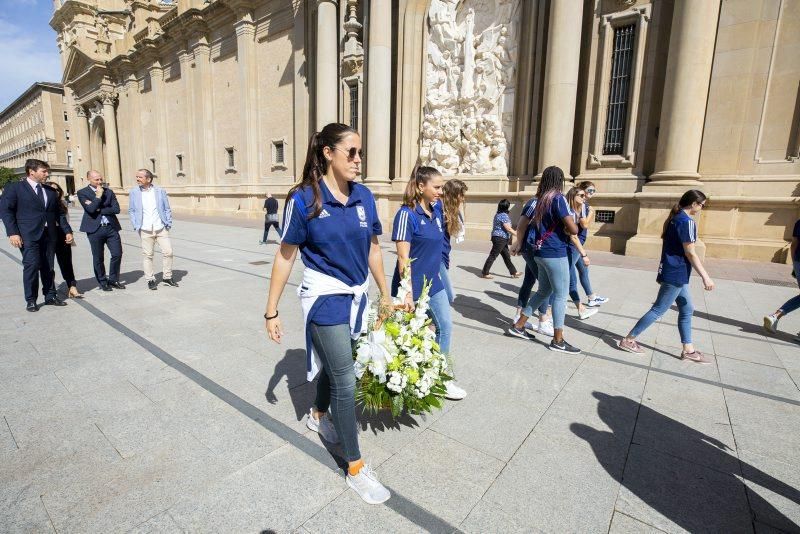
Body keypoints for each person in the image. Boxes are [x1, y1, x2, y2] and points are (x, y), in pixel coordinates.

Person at [263, 123, 391, 505]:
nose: (357, 159)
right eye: (351, 151)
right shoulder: (305, 200)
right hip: (323, 296)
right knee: (346, 378)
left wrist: (385, 293)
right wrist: (270, 311)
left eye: (360, 153)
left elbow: (373, 249)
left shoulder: (365, 197)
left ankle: (318, 414)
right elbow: (285, 255)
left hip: (355, 295)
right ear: (327, 153)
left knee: (339, 365)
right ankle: (354, 467)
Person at [392, 165, 467, 400]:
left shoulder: (436, 212)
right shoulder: (407, 214)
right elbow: (403, 257)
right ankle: (405, 378)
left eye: (442, 187)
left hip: (433, 283)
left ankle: (439, 377)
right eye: (436, 187)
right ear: (420, 186)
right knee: (406, 335)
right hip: (412, 286)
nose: (440, 191)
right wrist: (406, 292)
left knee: (444, 326)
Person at [618, 190, 714, 363]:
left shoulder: (675, 218)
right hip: (676, 273)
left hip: (675, 272)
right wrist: (705, 276)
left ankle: (688, 349)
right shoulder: (687, 222)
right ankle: (629, 339)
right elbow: (691, 253)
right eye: (701, 205)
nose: (702, 208)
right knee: (658, 309)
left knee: (687, 309)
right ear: (693, 204)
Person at [508, 166, 582, 354]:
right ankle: (558, 340)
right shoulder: (558, 198)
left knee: (543, 291)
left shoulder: (540, 200)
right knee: (560, 295)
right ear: (560, 180)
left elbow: (525, 223)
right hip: (555, 252)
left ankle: (519, 325)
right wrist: (573, 225)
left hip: (540, 252)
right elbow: (573, 229)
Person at [0, 159, 72, 311]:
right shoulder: (15, 188)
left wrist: (67, 231)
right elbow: (6, 211)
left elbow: (59, 214)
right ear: (31, 172)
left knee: (49, 267)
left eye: (47, 171)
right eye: (44, 171)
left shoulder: (50, 192)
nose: (47, 174)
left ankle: (50, 295)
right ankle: (31, 299)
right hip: (28, 235)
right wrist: (13, 233)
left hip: (49, 235)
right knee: (32, 266)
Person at [510, 196, 554, 337]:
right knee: (545, 285)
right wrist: (518, 242)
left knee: (529, 280)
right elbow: (522, 223)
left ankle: (519, 315)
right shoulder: (535, 202)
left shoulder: (543, 201)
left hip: (533, 247)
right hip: (533, 248)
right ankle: (543, 320)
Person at [128, 169, 177, 290]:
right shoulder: (134, 192)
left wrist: (168, 222)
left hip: (160, 227)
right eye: (137, 177)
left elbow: (167, 208)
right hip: (144, 228)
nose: (137, 179)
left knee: (168, 252)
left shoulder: (160, 191)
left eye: (140, 177)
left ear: (148, 179)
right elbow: (132, 210)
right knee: (148, 255)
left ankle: (167, 277)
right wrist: (136, 224)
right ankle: (150, 279)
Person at [77, 170, 124, 291]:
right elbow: (91, 210)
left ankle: (113, 279)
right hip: (94, 229)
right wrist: (98, 197)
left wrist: (99, 209)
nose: (100, 182)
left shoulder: (109, 192)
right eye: (96, 180)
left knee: (117, 254)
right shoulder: (83, 193)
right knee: (98, 257)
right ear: (89, 179)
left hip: (111, 228)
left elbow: (116, 209)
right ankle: (103, 281)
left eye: (100, 179)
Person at [763, 217, 800, 341]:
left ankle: (775, 316)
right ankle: (775, 316)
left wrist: (795, 264)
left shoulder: (799, 222)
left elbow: (794, 244)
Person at [573, 181, 609, 308]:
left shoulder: (583, 204)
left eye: (594, 191)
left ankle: (592, 297)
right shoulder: (583, 205)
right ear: (582, 190)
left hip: (578, 244)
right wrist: (591, 213)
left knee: (583, 271)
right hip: (575, 244)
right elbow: (584, 224)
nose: (591, 193)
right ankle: (555, 302)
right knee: (570, 276)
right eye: (589, 190)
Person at [565, 187, 598, 320]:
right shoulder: (569, 212)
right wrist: (584, 254)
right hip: (565, 248)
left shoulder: (576, 210)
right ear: (573, 196)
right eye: (582, 195)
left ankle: (586, 301)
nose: (585, 198)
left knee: (574, 275)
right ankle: (581, 308)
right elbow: (574, 235)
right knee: (568, 279)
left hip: (569, 247)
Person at [46, 181, 82, 298]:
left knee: (66, 262)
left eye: (57, 189)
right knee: (48, 265)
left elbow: (66, 220)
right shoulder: (42, 203)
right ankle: (50, 291)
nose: (55, 192)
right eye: (52, 189)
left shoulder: (62, 203)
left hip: (62, 233)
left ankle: (72, 286)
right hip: (47, 235)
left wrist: (69, 233)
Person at [439, 178, 468, 303]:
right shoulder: (439, 210)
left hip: (444, 254)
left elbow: (456, 232)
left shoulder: (450, 211)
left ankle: (427, 320)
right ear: (454, 194)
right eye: (461, 195)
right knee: (448, 295)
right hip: (436, 257)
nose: (463, 199)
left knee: (438, 295)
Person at [480, 199, 522, 279]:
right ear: (506, 207)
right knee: (493, 255)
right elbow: (508, 228)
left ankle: (514, 272)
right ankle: (485, 272)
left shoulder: (497, 214)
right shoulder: (504, 215)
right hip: (500, 239)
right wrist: (518, 234)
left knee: (506, 256)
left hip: (498, 238)